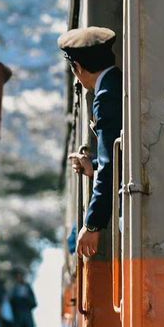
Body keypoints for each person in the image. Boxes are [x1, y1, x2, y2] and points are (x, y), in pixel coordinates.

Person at [59, 26, 123, 257]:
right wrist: (92, 166)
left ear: (77, 68)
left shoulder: (105, 96)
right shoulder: (117, 83)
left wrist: (93, 224)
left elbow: (111, 165)